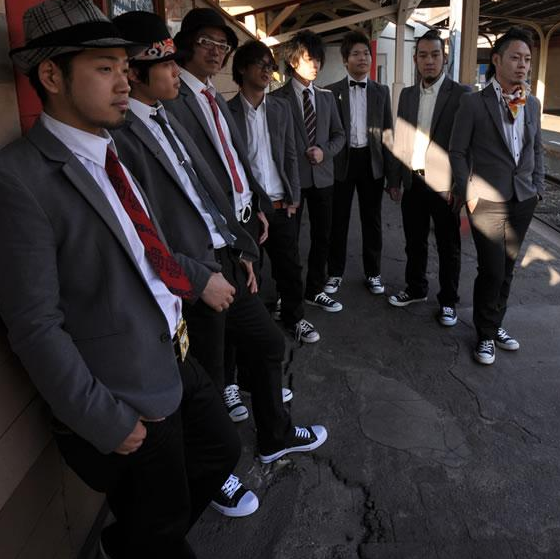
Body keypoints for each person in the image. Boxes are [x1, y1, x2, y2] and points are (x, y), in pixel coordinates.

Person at [1, 1, 239, 557]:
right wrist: (104, 419)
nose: (124, 81)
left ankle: (126, 542)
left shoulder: (112, 149)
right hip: (126, 395)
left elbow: (147, 247)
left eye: (124, 67)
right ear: (52, 76)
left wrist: (197, 278)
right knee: (161, 525)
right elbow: (34, 325)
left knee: (220, 452)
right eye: (105, 68)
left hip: (176, 354)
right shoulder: (20, 178)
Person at [111, 11, 327, 495]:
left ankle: (273, 437)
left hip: (226, 255)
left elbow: (210, 185)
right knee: (206, 379)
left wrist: (239, 243)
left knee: (267, 343)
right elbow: (143, 231)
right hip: (193, 273)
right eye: (167, 63)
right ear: (136, 72)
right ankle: (214, 477)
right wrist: (196, 276)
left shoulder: (166, 115)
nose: (178, 72)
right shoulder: (123, 138)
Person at [449, 26, 544, 365]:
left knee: (507, 268)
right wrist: (468, 193)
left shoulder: (532, 103)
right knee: (491, 269)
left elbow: (536, 149)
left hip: (523, 199)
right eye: (516, 58)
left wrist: (538, 188)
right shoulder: (473, 103)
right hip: (486, 200)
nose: (523, 65)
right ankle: (485, 335)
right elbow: (457, 152)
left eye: (527, 60)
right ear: (497, 60)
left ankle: (494, 323)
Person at [228, 40, 320, 344]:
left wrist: (295, 197)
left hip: (282, 204)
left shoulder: (281, 108)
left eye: (270, 65)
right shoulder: (227, 112)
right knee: (251, 271)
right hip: (248, 208)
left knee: (290, 267)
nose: (268, 70)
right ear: (242, 69)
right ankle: (255, 329)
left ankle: (295, 318)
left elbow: (291, 154)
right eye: (261, 64)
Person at [387, 30, 470, 327]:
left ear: (444, 58)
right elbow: (401, 139)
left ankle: (448, 301)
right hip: (414, 181)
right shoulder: (408, 95)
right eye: (423, 55)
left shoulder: (462, 94)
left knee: (448, 246)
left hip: (445, 186)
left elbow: (469, 145)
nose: (429, 61)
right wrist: (394, 180)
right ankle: (416, 288)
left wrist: (461, 187)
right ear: (415, 59)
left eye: (435, 55)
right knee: (414, 241)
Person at [271, 30, 346, 313]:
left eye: (318, 59)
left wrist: (324, 151)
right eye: (308, 59)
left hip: (323, 179)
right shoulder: (277, 99)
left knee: (322, 236)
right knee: (287, 240)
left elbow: (340, 135)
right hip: (290, 181)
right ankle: (286, 293)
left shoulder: (326, 98)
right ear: (293, 61)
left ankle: (315, 289)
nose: (315, 64)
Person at [324, 30, 395, 298]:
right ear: (345, 60)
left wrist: (392, 176)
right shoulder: (331, 92)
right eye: (356, 54)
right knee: (338, 221)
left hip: (371, 162)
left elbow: (387, 133)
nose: (362, 58)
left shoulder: (381, 91)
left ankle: (373, 273)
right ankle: (334, 272)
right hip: (341, 162)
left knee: (372, 220)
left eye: (366, 53)